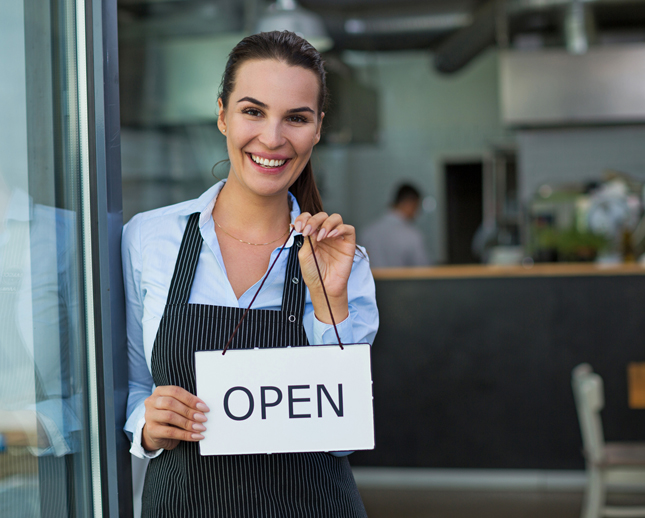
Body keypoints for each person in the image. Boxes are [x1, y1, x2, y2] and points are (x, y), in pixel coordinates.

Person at [122, 31, 378, 517]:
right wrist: (147, 423)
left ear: (318, 128)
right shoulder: (149, 240)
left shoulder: (344, 261)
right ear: (222, 114)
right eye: (253, 111)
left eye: (296, 118)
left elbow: (342, 436)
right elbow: (132, 387)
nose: (273, 138)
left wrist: (330, 298)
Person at [360, 183, 430, 268]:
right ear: (409, 204)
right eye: (417, 207)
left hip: (371, 281)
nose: (417, 213)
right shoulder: (412, 235)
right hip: (404, 281)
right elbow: (424, 272)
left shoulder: (367, 232)